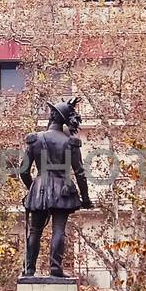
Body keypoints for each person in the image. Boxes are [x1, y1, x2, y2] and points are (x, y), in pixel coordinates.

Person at [18, 97, 94, 277]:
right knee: (59, 229)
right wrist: (85, 198)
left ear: (52, 116)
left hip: (40, 188)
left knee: (35, 230)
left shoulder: (35, 140)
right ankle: (55, 268)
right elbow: (80, 173)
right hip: (63, 188)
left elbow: (24, 171)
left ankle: (29, 269)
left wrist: (32, 189)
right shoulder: (70, 142)